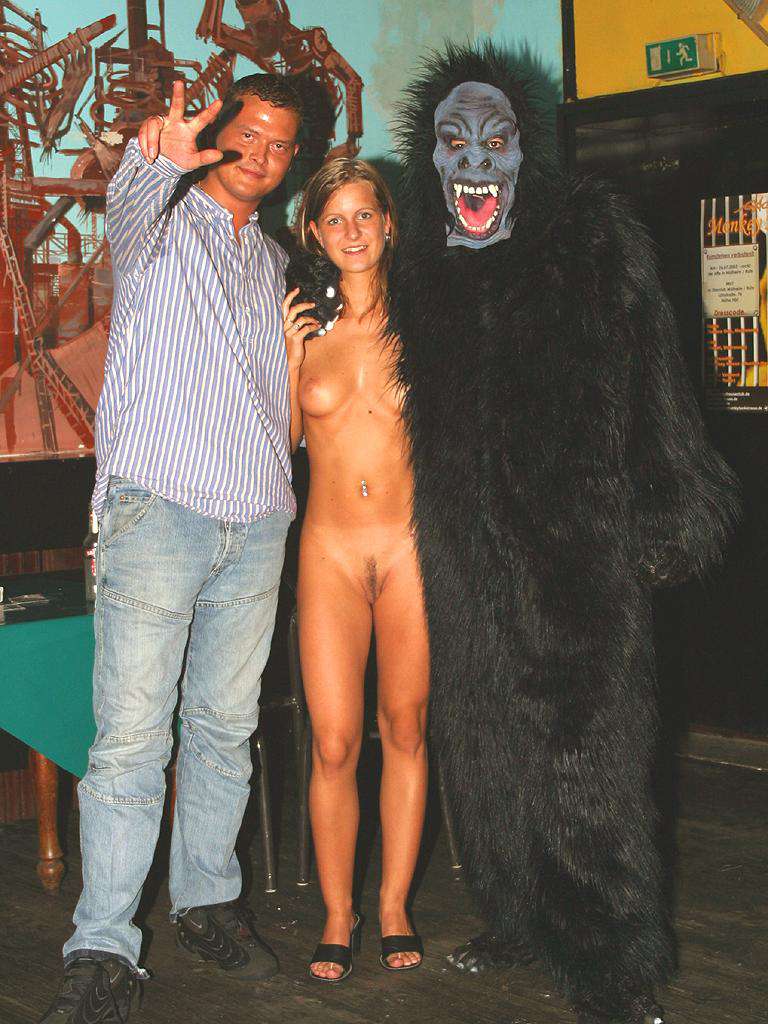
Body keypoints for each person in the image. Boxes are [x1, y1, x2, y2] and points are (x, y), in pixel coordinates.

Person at [389, 43, 739, 1024]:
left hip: (575, 539)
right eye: (453, 141)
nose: (474, 161)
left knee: (587, 752)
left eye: (495, 140)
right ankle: (517, 918)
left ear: (526, 152)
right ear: (429, 156)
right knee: (483, 739)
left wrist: (672, 505)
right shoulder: (421, 264)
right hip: (461, 542)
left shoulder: (591, 236)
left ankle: (610, 961)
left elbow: (657, 376)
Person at [40, 73, 303, 1024]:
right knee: (132, 741)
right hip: (160, 513)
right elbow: (132, 192)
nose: (261, 157)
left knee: (226, 730)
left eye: (281, 145)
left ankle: (205, 903)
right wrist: (160, 157)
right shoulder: (158, 225)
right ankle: (104, 947)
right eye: (248, 135)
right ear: (218, 130)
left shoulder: (273, 260)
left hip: (257, 519)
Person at [282, 158, 429, 982]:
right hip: (330, 551)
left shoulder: (425, 321)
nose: (352, 231)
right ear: (314, 232)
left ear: (389, 223)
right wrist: (287, 356)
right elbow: (282, 443)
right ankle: (338, 913)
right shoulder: (300, 325)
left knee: (404, 728)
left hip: (410, 547)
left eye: (364, 215)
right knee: (335, 743)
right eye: (334, 219)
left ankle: (394, 905)